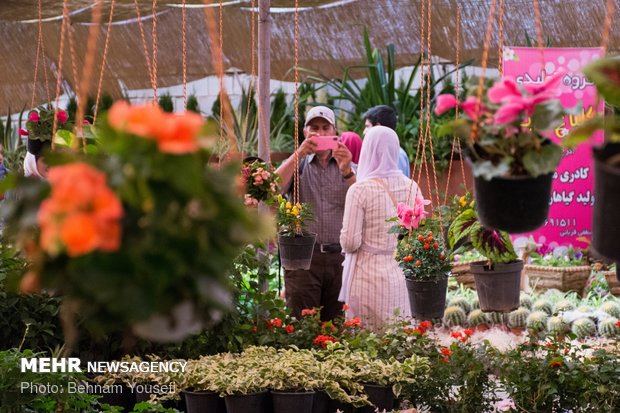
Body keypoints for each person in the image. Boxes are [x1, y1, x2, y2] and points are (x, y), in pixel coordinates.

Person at [339, 125, 424, 331]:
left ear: (367, 150)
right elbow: (417, 232)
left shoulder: (360, 189)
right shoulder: (412, 186)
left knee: (367, 341)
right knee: (399, 336)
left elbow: (350, 242)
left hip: (366, 276)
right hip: (401, 275)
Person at [276, 106, 355, 321]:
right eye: (314, 128)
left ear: (334, 133)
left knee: (335, 329)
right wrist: (299, 153)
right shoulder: (297, 164)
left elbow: (363, 199)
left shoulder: (347, 165)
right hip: (303, 259)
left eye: (325, 128)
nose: (320, 134)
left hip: (340, 259)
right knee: (302, 326)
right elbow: (273, 188)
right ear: (304, 133)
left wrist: (347, 171)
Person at [362, 105, 411, 177]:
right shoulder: (392, 152)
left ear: (378, 127)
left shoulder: (395, 154)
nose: (364, 132)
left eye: (367, 126)